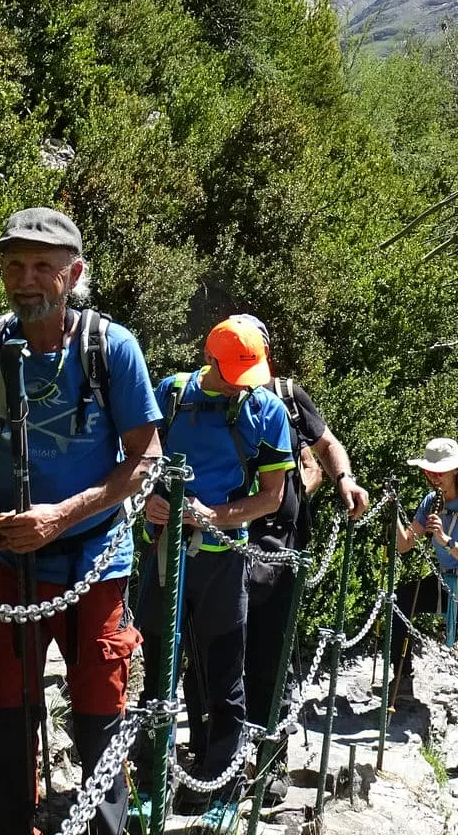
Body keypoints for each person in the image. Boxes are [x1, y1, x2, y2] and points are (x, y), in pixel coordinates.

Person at [0, 207, 164, 835]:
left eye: (43, 265)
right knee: (9, 711)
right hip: (12, 560)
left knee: (101, 710)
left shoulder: (110, 349)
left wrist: (63, 514)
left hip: (95, 559)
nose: (25, 279)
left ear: (73, 274)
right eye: (14, 265)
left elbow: (144, 460)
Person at [139, 317, 294, 820]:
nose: (244, 388)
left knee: (226, 675)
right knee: (156, 672)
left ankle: (223, 790)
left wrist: (213, 516)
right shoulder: (170, 394)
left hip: (225, 557)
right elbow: (138, 462)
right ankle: (149, 783)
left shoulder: (267, 408)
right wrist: (150, 501)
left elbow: (271, 499)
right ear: (211, 361)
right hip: (164, 552)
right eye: (235, 375)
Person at [226, 314, 369, 804]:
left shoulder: (287, 395)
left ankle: (270, 764)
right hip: (220, 543)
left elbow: (326, 445)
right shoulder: (204, 398)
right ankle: (220, 760)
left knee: (272, 655)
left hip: (278, 546)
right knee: (220, 652)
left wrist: (341, 480)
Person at [389, 437, 458, 777]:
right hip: (450, 582)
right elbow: (406, 545)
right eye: (428, 471)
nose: (433, 477)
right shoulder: (430, 502)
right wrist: (393, 510)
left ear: (456, 470)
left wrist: (445, 540)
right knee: (400, 600)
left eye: (439, 471)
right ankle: (403, 677)